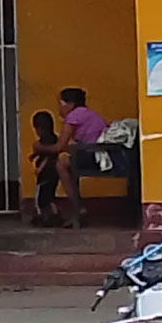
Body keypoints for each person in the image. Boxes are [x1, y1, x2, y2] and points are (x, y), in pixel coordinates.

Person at [34, 87, 108, 225]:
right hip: (102, 154)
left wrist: (39, 148)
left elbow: (59, 147)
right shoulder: (91, 114)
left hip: (93, 156)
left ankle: (78, 207)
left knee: (61, 164)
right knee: (69, 161)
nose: (59, 109)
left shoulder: (73, 117)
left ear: (70, 105)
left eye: (60, 104)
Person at [29, 111, 62, 227]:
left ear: (39, 128)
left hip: (45, 173)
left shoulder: (43, 142)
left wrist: (40, 168)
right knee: (50, 195)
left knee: (40, 198)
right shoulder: (55, 139)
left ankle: (42, 217)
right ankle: (56, 214)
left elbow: (49, 156)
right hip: (55, 174)